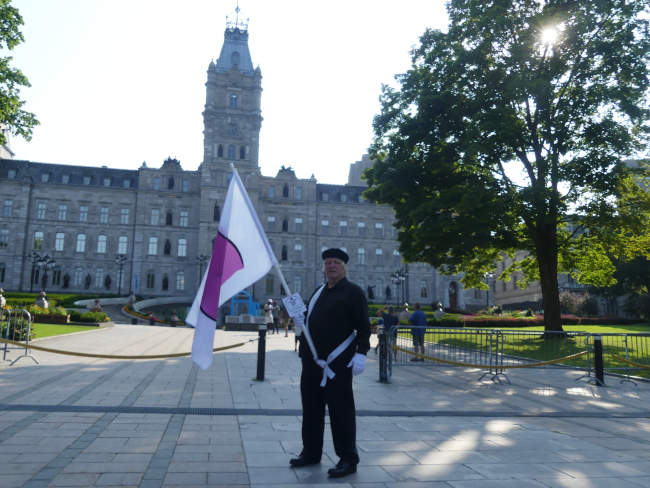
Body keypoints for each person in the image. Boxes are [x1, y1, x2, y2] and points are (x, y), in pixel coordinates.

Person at [290, 248, 370, 479]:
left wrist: (361, 353)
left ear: (344, 267)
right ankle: (311, 452)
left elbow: (363, 327)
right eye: (327, 263)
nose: (331, 266)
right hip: (313, 364)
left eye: (335, 262)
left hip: (338, 365)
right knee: (311, 411)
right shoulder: (319, 292)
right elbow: (309, 323)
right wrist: (299, 318)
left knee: (341, 412)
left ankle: (348, 458)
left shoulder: (353, 292)